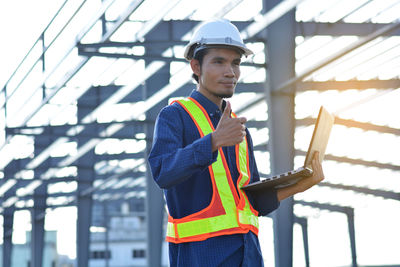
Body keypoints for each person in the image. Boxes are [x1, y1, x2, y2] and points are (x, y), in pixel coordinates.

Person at [148, 19, 324, 267]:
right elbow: (162, 172)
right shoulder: (175, 115)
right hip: (203, 256)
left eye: (236, 63)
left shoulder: (238, 129)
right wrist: (213, 142)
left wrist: (302, 184)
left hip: (248, 255)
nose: (230, 71)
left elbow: (251, 203)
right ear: (196, 66)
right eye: (219, 62)